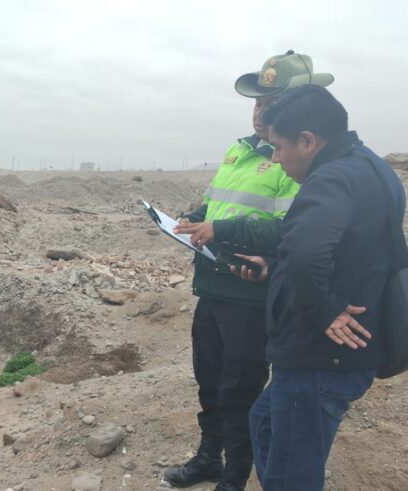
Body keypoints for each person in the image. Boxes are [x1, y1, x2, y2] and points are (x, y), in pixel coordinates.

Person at [164, 51, 334, 491]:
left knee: (239, 390)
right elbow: (222, 201)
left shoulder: (294, 160)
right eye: (257, 103)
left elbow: (289, 231)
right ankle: (209, 458)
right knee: (209, 380)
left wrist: (220, 228)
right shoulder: (240, 150)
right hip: (213, 285)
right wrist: (195, 215)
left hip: (250, 295)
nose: (261, 112)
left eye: (271, 103)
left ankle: (236, 474)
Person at [232, 85, 405, 490]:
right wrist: (274, 268)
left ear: (308, 140)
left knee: (292, 472)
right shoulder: (372, 167)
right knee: (265, 421)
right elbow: (346, 250)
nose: (275, 158)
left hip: (319, 359)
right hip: (336, 356)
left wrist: (324, 309)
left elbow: (309, 253)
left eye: (278, 147)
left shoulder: (331, 177)